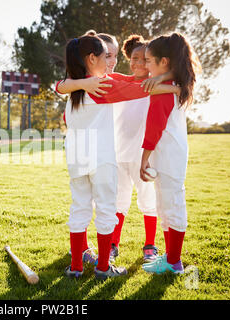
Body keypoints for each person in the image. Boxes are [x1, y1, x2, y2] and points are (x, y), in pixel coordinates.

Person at [61, 31, 179, 280]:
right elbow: (139, 88)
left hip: (76, 160)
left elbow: (63, 90)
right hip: (101, 160)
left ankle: (76, 267)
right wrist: (173, 86)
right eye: (106, 56)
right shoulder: (103, 85)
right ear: (92, 59)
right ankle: (103, 267)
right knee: (106, 210)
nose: (110, 62)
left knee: (79, 208)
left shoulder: (74, 87)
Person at [140, 32, 201, 274]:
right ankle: (169, 257)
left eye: (148, 61)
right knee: (165, 205)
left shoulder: (165, 89)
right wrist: (164, 76)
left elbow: (154, 127)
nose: (145, 66)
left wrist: (143, 159)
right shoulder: (172, 84)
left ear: (164, 61)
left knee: (172, 205)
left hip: (168, 154)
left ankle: (174, 262)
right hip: (170, 153)